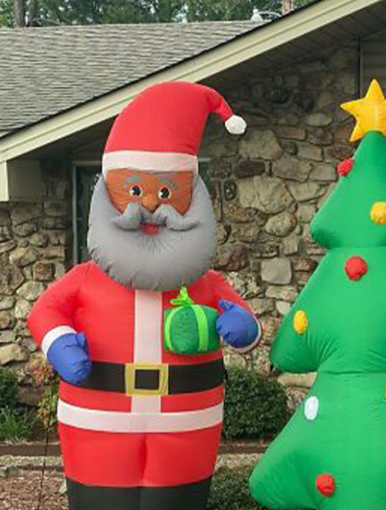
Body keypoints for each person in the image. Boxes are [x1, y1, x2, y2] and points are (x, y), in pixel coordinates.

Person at [28, 82, 260, 510]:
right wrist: (58, 341)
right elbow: (45, 311)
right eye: (135, 191)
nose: (151, 205)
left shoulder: (206, 282)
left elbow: (246, 328)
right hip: (99, 421)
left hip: (186, 422)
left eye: (167, 192)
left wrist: (244, 328)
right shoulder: (85, 279)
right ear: (110, 194)